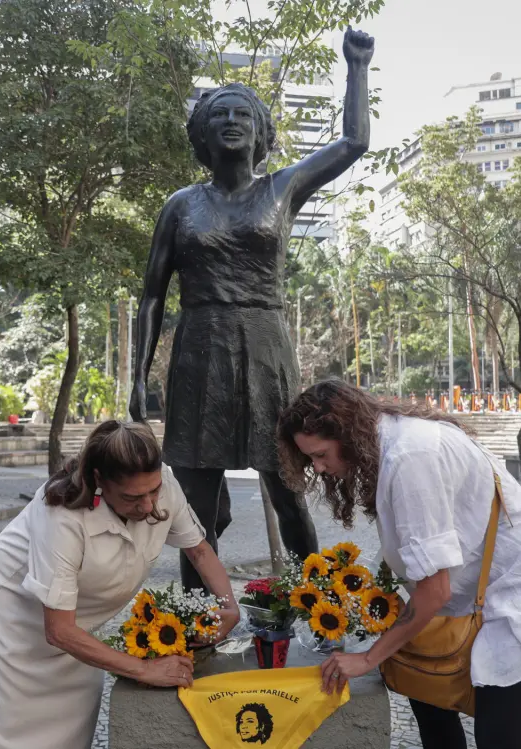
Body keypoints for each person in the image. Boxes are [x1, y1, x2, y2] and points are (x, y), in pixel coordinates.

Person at [129, 27, 377, 592]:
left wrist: (357, 67)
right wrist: (138, 379)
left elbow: (353, 144)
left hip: (266, 348)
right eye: (219, 116)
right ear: (203, 135)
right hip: (200, 348)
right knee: (194, 508)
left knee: (288, 491)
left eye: (244, 114)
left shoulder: (283, 189)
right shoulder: (180, 205)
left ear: (262, 131)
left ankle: (316, 607)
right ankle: (200, 619)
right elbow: (151, 295)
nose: (232, 122)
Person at [276, 380, 521, 749]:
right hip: (474, 589)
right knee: (430, 701)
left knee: (497, 734)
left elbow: (435, 591)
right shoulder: (387, 440)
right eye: (311, 460)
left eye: (321, 455)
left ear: (347, 433)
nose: (319, 468)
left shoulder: (411, 457)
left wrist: (369, 658)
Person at [0, 420, 239, 749]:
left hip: (80, 613)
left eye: (153, 492)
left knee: (74, 711)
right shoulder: (60, 514)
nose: (149, 505)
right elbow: (58, 631)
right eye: (132, 497)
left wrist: (230, 605)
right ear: (99, 480)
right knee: (13, 723)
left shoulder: (161, 481)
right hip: (21, 606)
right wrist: (143, 669)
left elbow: (198, 550)